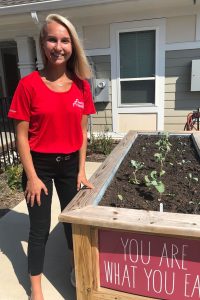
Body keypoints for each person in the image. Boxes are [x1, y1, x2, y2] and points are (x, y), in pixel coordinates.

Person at [8, 13, 96, 300]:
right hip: (40, 167)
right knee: (39, 229)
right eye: (52, 39)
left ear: (72, 45)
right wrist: (32, 177)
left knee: (72, 224)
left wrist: (81, 171)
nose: (59, 46)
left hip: (70, 165)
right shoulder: (28, 85)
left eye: (65, 40)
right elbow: (21, 136)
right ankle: (35, 289)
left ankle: (74, 268)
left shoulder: (82, 85)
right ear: (42, 44)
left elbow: (82, 133)